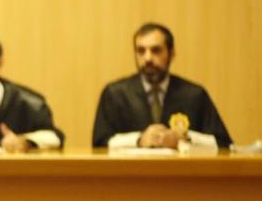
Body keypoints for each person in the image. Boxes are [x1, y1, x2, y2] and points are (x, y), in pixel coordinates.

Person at [92, 22, 231, 149]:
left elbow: (223, 144)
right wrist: (139, 140)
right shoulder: (115, 94)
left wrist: (184, 137)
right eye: (141, 51)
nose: (147, 58)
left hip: (182, 174)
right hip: (131, 174)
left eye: (156, 50)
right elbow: (99, 144)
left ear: (171, 53)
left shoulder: (194, 95)